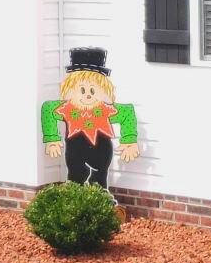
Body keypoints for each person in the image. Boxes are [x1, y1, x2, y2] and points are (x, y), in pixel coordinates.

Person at [39, 47, 140, 189]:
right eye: (82, 90)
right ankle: (74, 200)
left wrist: (129, 141)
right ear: (71, 88)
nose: (88, 95)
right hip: (75, 151)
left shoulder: (105, 110)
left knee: (99, 179)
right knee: (75, 176)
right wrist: (52, 138)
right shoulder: (67, 109)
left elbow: (127, 112)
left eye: (93, 90)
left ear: (103, 89)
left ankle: (100, 200)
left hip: (101, 151)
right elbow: (48, 109)